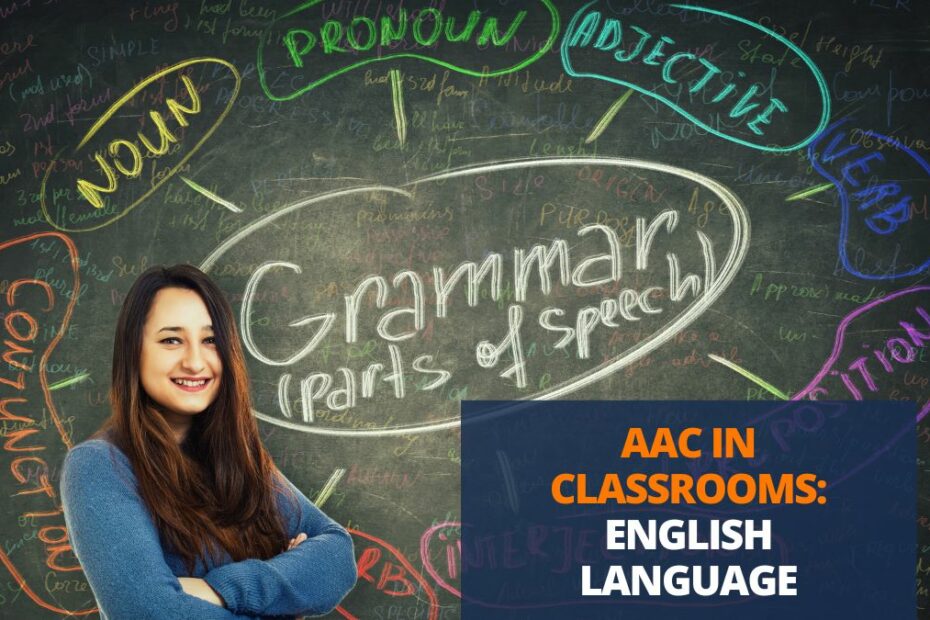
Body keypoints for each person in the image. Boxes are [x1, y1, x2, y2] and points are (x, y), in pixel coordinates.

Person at [61, 265, 357, 619]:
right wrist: (286, 592)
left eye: (210, 340)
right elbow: (150, 612)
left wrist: (218, 589)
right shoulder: (99, 466)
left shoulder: (235, 457)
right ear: (134, 351)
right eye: (171, 340)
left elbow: (336, 556)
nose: (195, 361)